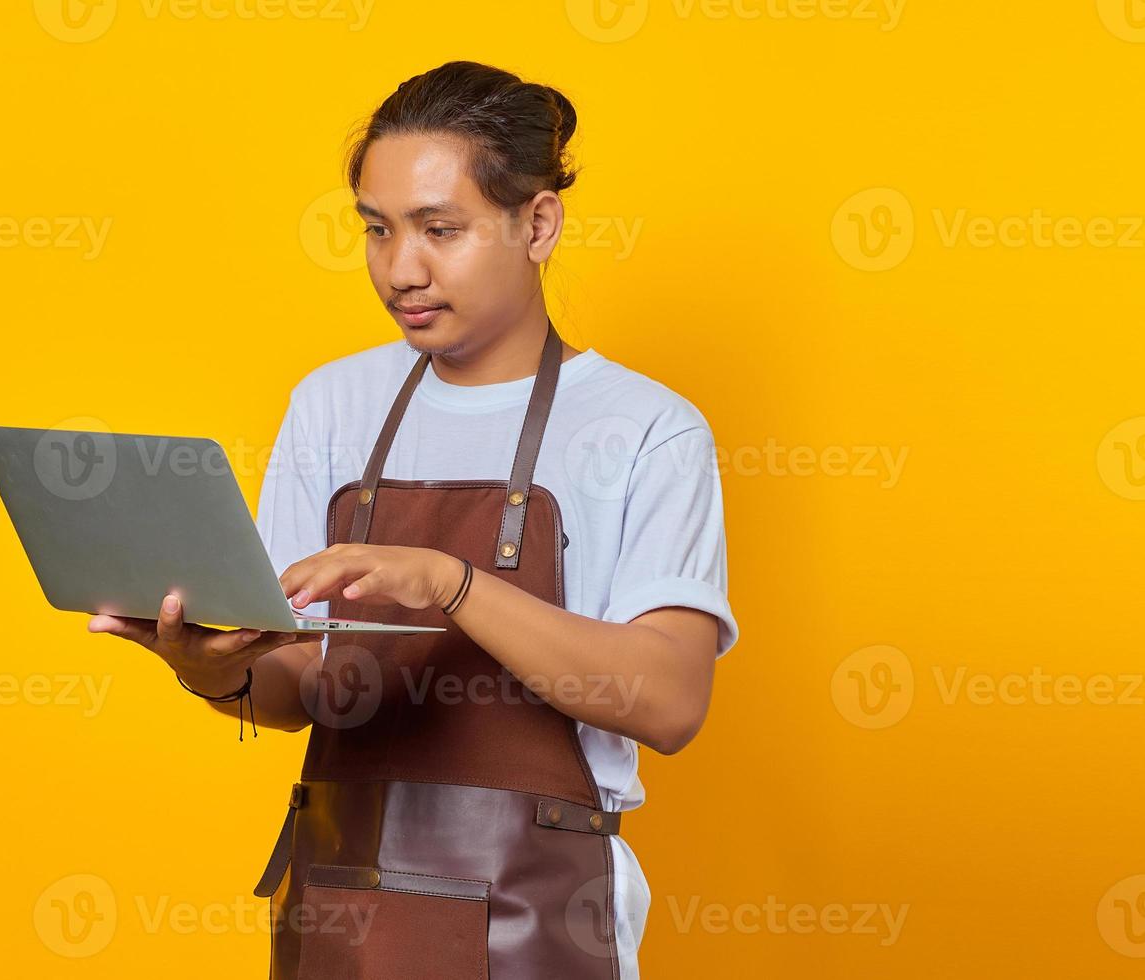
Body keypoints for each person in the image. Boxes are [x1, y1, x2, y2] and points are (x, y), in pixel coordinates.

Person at [89, 59, 738, 979]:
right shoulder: (330, 405)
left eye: (442, 229)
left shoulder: (645, 429)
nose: (402, 268)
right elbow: (294, 686)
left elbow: (668, 704)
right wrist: (207, 670)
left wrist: (450, 584)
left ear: (538, 223)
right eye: (378, 230)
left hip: (539, 913)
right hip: (343, 901)